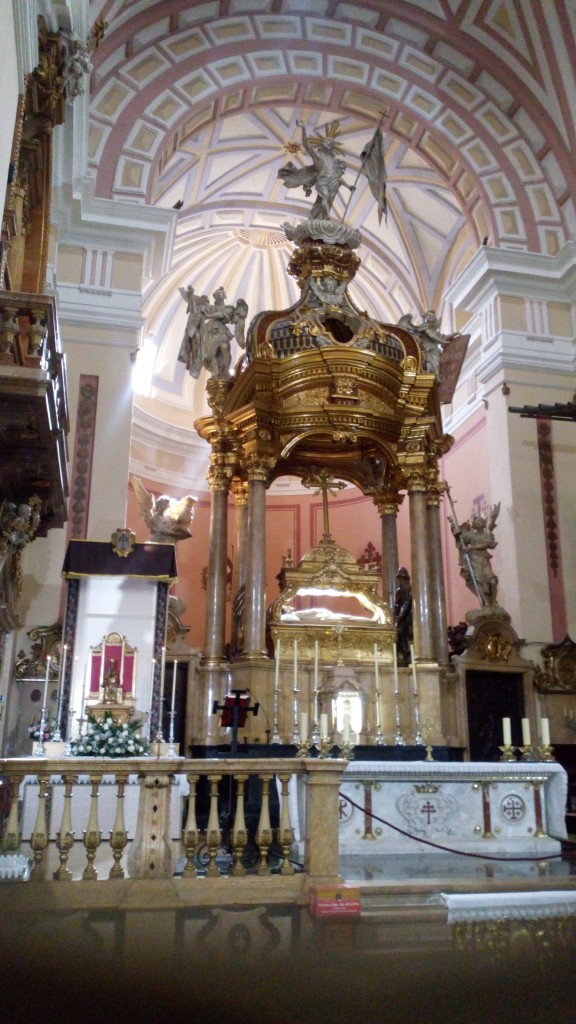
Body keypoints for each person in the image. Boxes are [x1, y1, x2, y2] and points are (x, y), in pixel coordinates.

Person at [450, 504, 500, 606]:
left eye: (481, 521)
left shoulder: (487, 535)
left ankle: (493, 601)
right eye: (477, 521)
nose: (479, 522)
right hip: (474, 560)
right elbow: (459, 537)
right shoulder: (470, 535)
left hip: (484, 561)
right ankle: (485, 602)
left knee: (493, 581)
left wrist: (472, 548)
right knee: (478, 583)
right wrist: (453, 524)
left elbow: (488, 544)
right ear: (474, 524)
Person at [393, 567, 413, 665]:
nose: (400, 581)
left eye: (401, 579)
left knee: (408, 634)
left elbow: (407, 602)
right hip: (401, 618)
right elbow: (397, 604)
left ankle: (407, 654)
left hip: (409, 616)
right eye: (399, 579)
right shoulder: (399, 589)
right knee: (399, 634)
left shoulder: (409, 588)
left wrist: (400, 615)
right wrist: (394, 614)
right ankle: (402, 654)